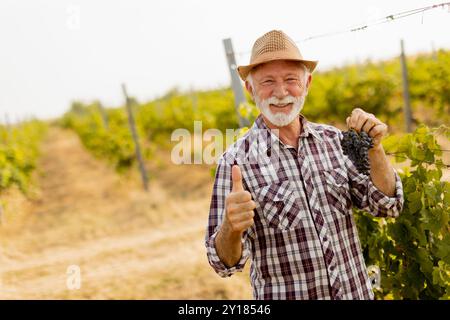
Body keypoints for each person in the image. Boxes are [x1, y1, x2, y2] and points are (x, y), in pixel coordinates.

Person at [205, 30, 404, 300]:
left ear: (307, 83)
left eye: (291, 80)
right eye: (267, 82)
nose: (281, 92)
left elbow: (387, 205)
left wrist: (376, 150)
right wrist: (231, 226)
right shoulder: (235, 161)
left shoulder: (335, 140)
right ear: (250, 89)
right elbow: (223, 263)